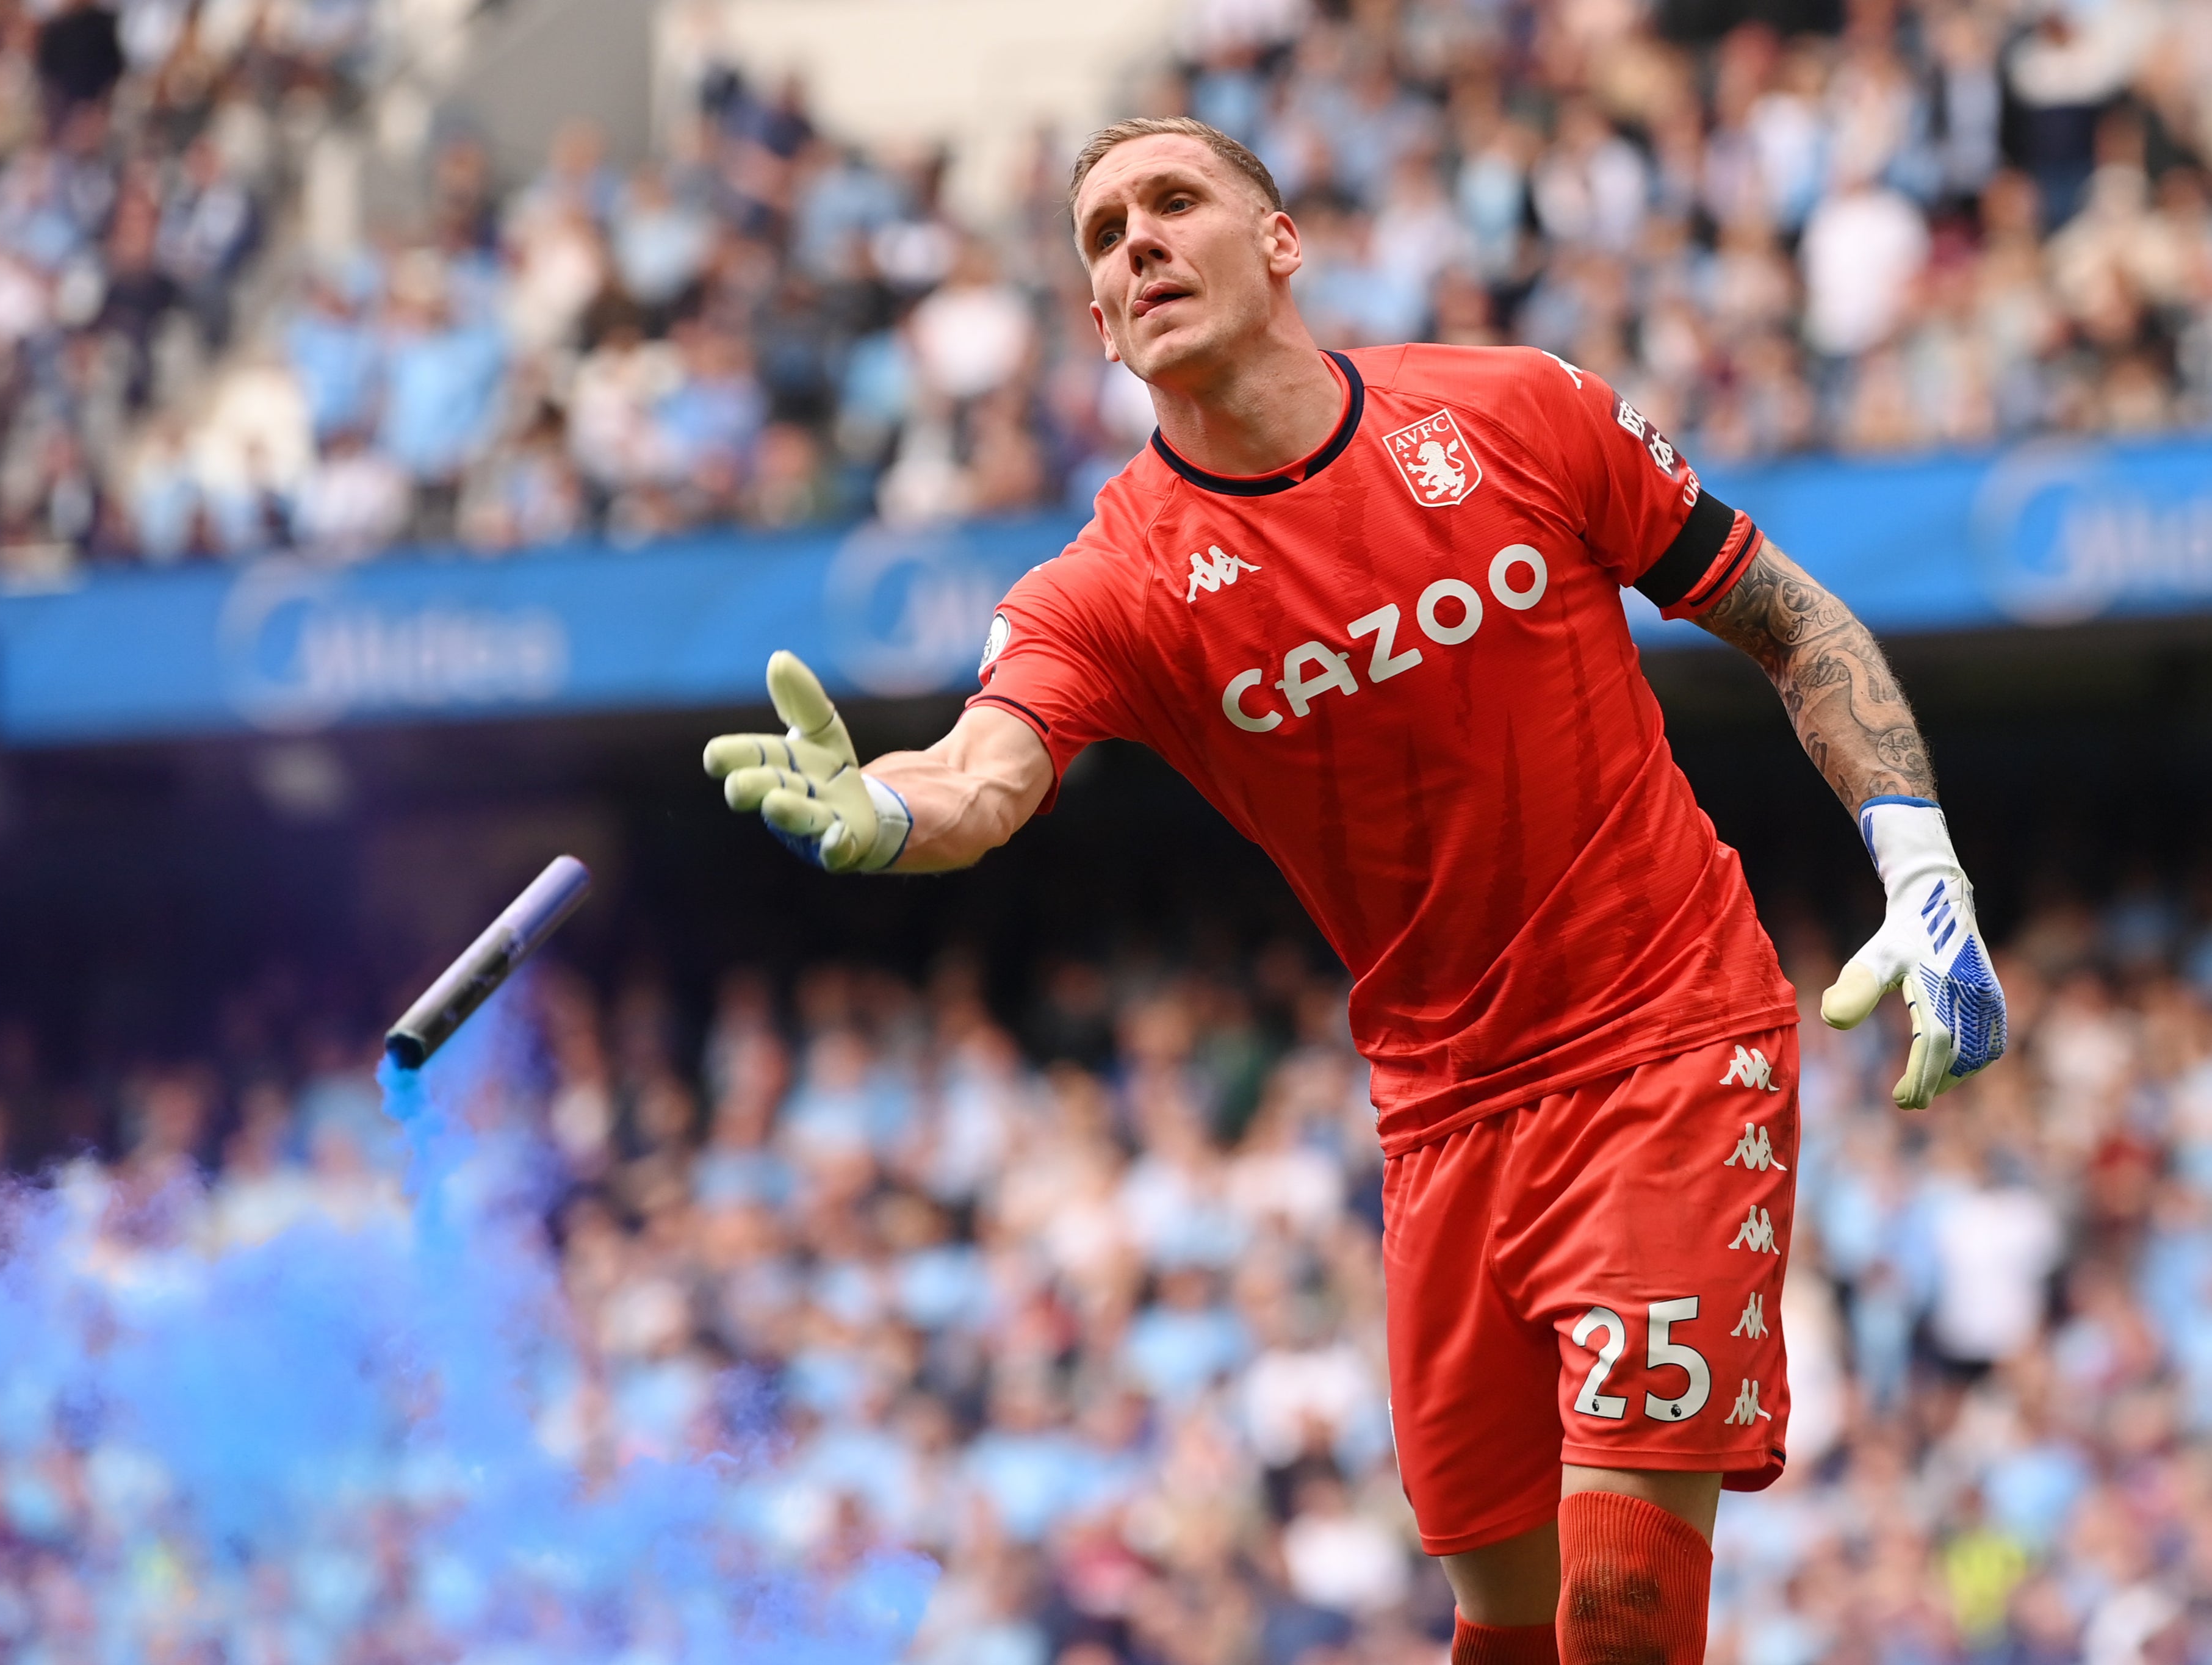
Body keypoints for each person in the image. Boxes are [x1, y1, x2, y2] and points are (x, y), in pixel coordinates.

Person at [701, 117, 2008, 1664]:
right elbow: (982, 776)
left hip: (1665, 1036)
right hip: (1441, 1116)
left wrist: (1913, 849)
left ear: (1279, 241)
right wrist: (881, 807)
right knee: (1506, 1624)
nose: (1135, 241)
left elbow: (1790, 621)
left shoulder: (1517, 412)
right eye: (1103, 235)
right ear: (1102, 327)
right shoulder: (1107, 584)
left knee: (1619, 1606)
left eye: (1173, 201)